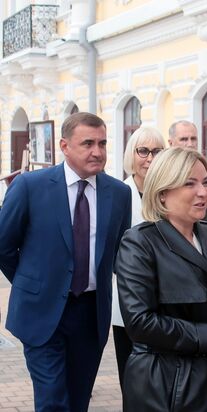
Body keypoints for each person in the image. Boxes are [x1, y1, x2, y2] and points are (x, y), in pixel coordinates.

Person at [0, 112, 132, 411]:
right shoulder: (29, 187)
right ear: (64, 145)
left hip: (90, 314)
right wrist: (31, 283)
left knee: (78, 399)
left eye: (102, 143)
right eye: (87, 143)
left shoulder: (119, 194)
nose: (97, 151)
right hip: (41, 312)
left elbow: (119, 256)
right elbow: (3, 245)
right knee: (52, 401)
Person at [115, 147, 207, 412]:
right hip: (168, 385)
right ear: (163, 193)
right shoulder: (139, 242)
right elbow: (140, 323)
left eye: (205, 182)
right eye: (189, 183)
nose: (203, 192)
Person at [112, 126, 165, 390]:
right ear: (131, 155)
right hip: (129, 301)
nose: (150, 158)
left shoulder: (171, 193)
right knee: (132, 376)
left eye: (157, 151)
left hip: (168, 301)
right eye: (143, 151)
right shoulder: (117, 195)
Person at [168, 120, 207, 224]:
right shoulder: (162, 174)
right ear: (171, 143)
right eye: (184, 139)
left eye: (193, 139)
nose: (190, 144)